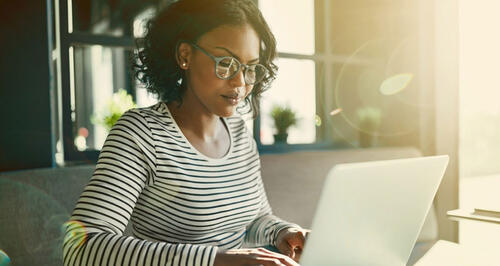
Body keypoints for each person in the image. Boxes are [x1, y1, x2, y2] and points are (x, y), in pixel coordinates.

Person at [62, 0, 309, 265]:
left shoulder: (238, 132)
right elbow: (80, 247)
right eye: (226, 63)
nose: (240, 81)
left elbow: (255, 218)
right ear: (185, 56)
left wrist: (283, 231)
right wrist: (217, 261)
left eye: (250, 68)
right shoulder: (142, 134)